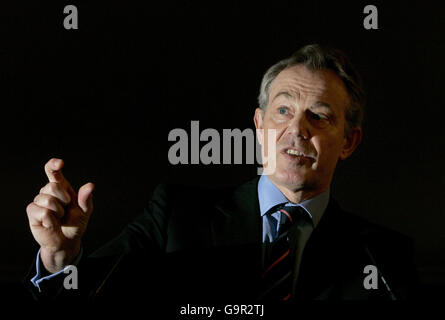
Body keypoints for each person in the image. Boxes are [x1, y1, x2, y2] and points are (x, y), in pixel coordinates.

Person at [24, 44, 418, 306]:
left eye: (319, 115)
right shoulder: (175, 215)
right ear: (259, 124)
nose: (297, 129)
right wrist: (60, 258)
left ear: (348, 142)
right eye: (282, 111)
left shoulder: (384, 257)